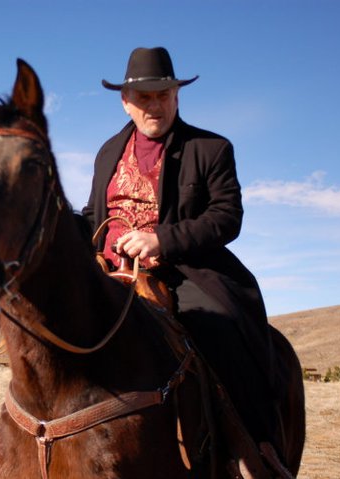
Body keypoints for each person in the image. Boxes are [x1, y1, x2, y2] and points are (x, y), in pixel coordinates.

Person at [82, 47, 277, 446]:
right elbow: (91, 213)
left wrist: (162, 240)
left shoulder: (211, 148)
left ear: (176, 96)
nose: (154, 106)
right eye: (144, 97)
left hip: (181, 270)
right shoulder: (107, 152)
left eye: (163, 95)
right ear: (126, 102)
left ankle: (254, 449)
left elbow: (226, 215)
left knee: (220, 331)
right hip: (109, 271)